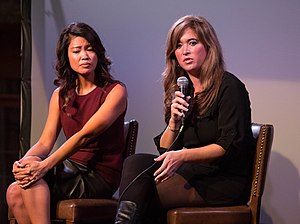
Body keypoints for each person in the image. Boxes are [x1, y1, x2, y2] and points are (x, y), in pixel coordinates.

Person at [113, 15, 256, 224]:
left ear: (208, 46)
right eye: (178, 46)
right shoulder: (182, 90)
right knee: (135, 162)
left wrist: (183, 156)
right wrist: (173, 122)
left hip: (221, 180)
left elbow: (229, 145)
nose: (185, 51)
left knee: (143, 194)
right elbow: (165, 149)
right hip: (190, 173)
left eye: (192, 42)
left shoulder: (229, 87)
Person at [6, 22, 127, 224]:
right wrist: (23, 164)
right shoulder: (60, 95)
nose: (84, 56)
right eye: (77, 50)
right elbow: (45, 142)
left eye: (89, 49)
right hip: (70, 168)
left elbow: (85, 135)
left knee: (32, 183)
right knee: (14, 190)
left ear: (98, 53)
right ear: (67, 57)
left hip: (98, 175)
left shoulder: (115, 91)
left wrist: (44, 166)